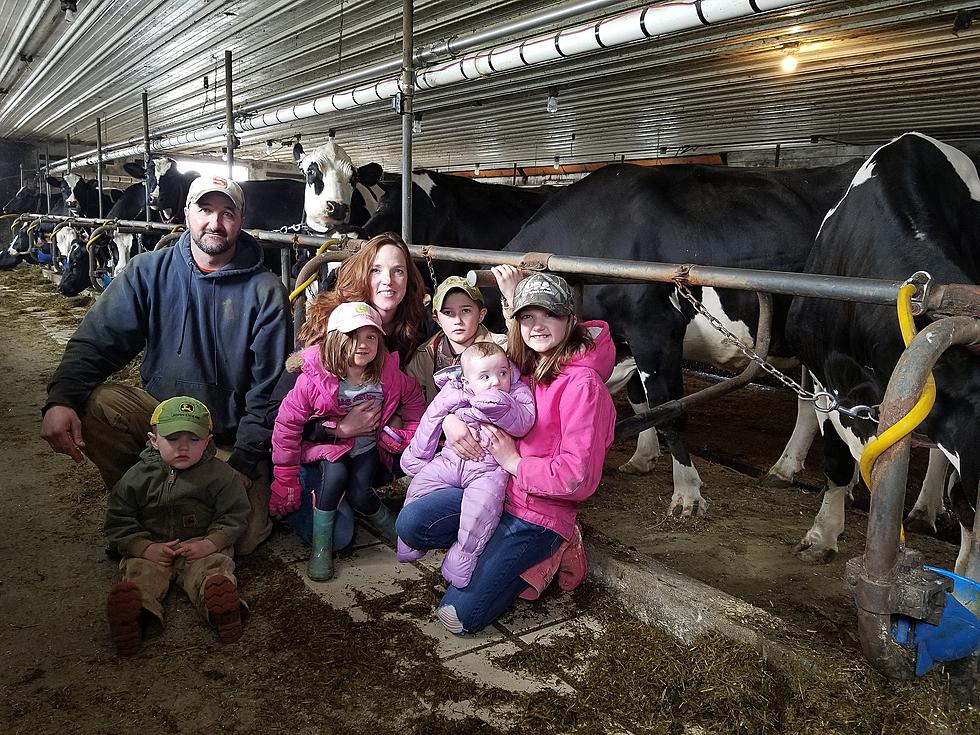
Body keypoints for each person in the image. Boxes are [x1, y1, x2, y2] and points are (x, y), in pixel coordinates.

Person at [40, 175, 290, 556]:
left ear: (241, 219)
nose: (215, 223)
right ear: (186, 213)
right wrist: (61, 399)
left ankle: (179, 511)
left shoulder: (266, 290)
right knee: (99, 405)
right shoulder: (147, 272)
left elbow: (269, 389)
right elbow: (98, 338)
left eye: (227, 213)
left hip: (224, 439)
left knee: (245, 540)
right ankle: (147, 498)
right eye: (204, 209)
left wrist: (245, 458)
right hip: (160, 427)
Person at [395, 269, 617, 634]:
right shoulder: (524, 364)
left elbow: (578, 477)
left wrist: (514, 462)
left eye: (550, 314)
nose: (538, 325)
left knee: (458, 618)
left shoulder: (584, 387)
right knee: (411, 523)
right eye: (527, 316)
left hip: (539, 513)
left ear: (571, 319)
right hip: (498, 492)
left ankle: (555, 549)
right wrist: (451, 419)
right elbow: (475, 388)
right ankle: (487, 550)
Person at [270, 302, 425, 581]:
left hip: (367, 447)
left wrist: (409, 433)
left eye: (371, 336)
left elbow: (413, 396)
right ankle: (321, 548)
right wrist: (284, 477)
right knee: (334, 480)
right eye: (352, 336)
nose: (362, 344)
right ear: (334, 339)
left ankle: (396, 531)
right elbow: (286, 424)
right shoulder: (313, 380)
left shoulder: (388, 376)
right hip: (331, 450)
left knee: (360, 492)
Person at [104, 396, 250, 657]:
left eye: (194, 440)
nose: (183, 448)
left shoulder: (220, 475)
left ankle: (221, 607)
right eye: (173, 440)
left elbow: (235, 514)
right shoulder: (137, 477)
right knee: (140, 572)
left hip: (200, 546)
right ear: (153, 440)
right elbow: (119, 518)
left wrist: (210, 543)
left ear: (208, 441)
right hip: (153, 546)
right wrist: (143, 547)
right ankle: (135, 613)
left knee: (213, 568)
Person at [398, 341, 534, 588]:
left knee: (481, 511)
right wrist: (418, 456)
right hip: (450, 461)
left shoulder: (516, 393)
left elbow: (524, 421)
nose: (496, 382)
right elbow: (432, 417)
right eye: (485, 377)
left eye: (502, 373)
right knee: (419, 485)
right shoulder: (456, 391)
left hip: (487, 469)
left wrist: (501, 409)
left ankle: (461, 559)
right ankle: (408, 543)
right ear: (468, 380)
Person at [405, 275, 507, 403]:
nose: (457, 321)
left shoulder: (501, 347)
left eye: (465, 311)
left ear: (481, 315)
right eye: (448, 313)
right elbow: (410, 397)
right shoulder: (426, 353)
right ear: (437, 319)